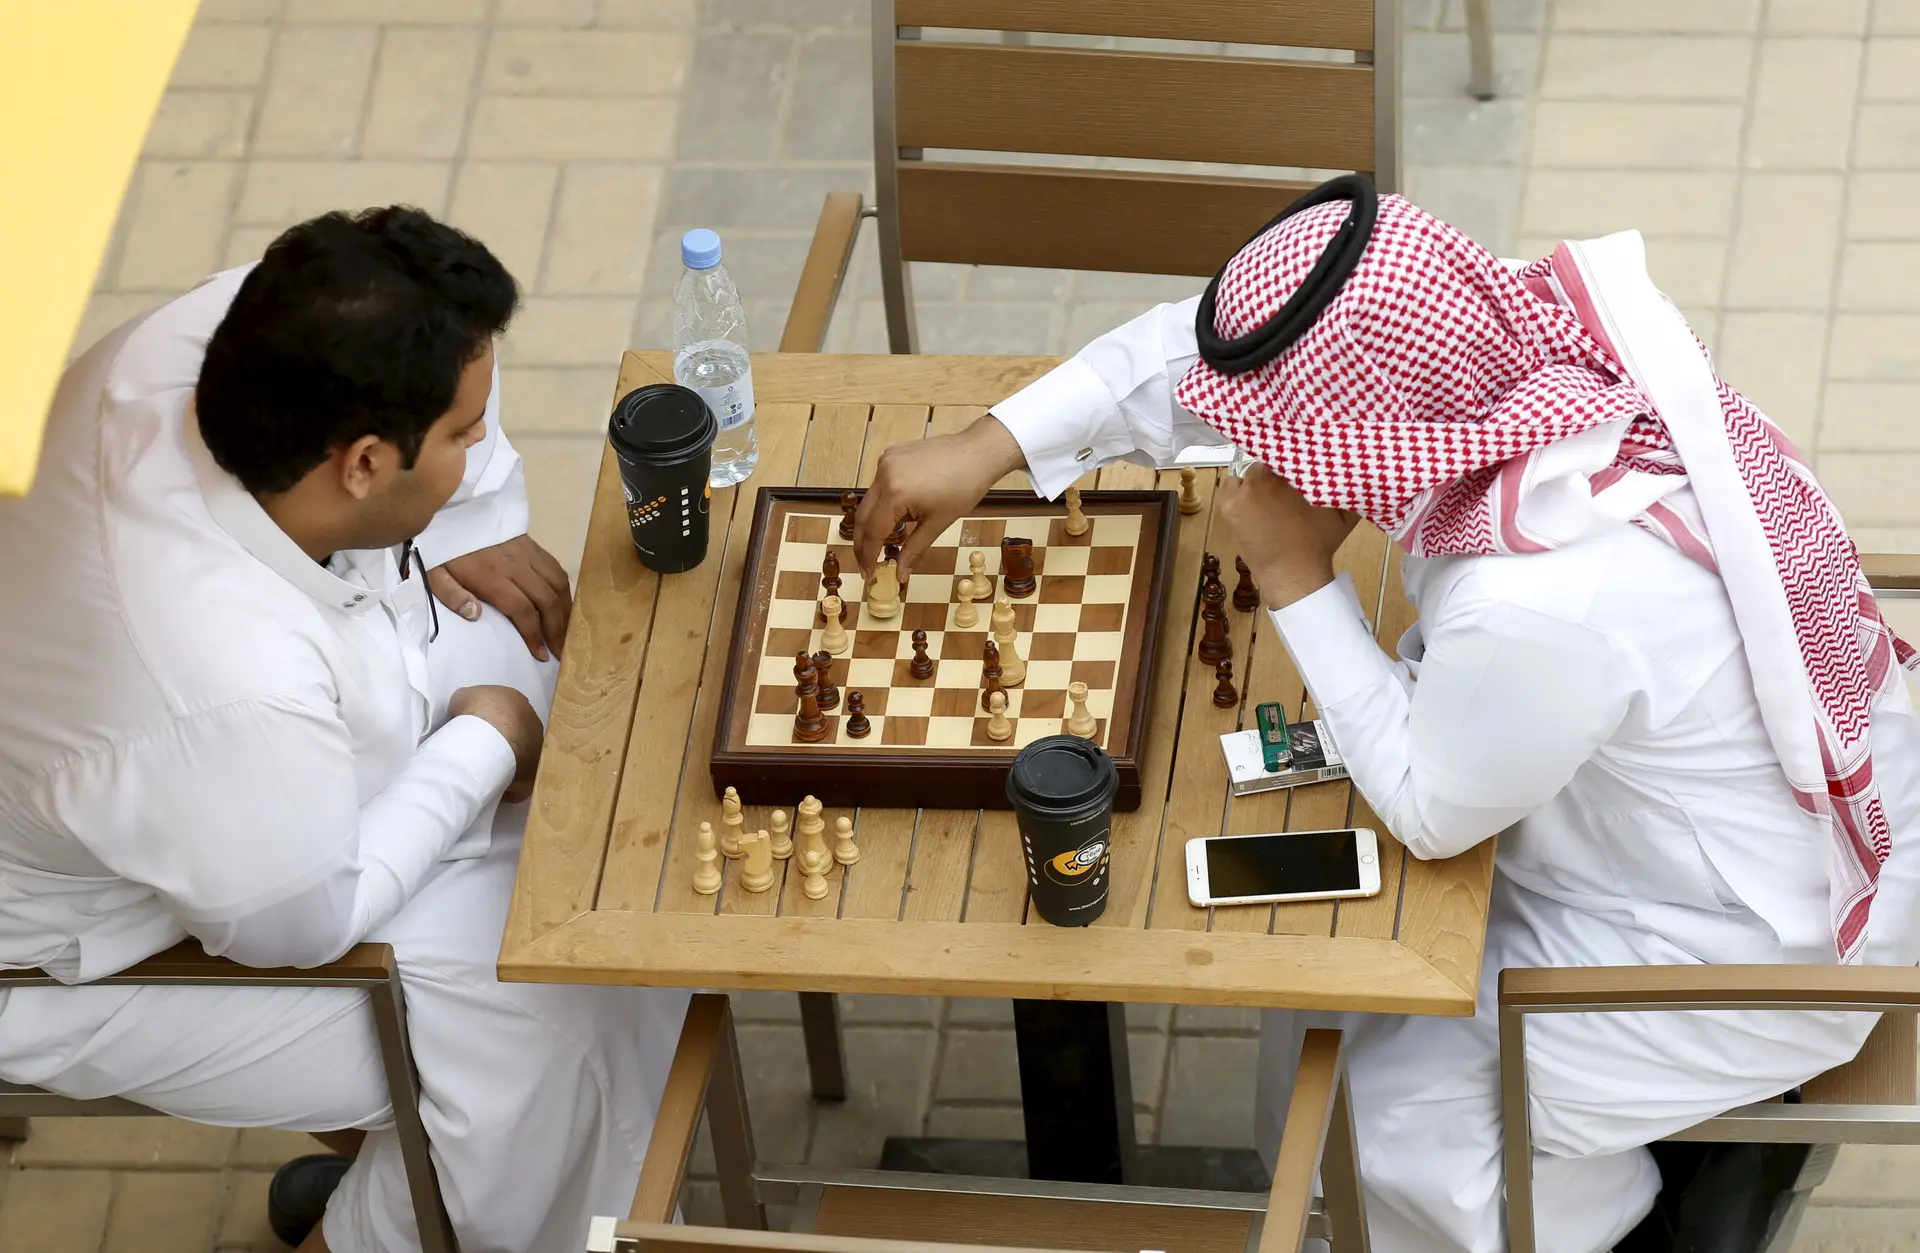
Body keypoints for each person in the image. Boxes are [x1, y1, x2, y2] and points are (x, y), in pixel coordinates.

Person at [851, 181, 1920, 1253]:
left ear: (1368, 436)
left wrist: (1294, 572)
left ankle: (1639, 1223)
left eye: (1288, 444)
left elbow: (1428, 809)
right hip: (1676, 823)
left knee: (1389, 1121)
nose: (1260, 461)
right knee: (1317, 972)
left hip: (1754, 946)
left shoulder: (1540, 601)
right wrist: (991, 445)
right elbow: (1216, 356)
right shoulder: (1516, 347)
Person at [0, 207, 690, 1253]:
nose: (482, 448)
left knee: (596, 778)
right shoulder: (224, 679)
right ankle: (404, 1214)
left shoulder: (235, 333)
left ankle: (433, 1173)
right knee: (546, 1031)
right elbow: (304, 920)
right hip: (79, 945)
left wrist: (461, 519)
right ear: (361, 464)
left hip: (188, 773)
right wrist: (486, 738)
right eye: (460, 438)